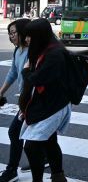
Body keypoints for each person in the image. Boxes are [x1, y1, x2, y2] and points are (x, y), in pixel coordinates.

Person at [19, 19, 70, 182]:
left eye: (30, 36)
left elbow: (37, 79)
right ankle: (58, 177)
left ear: (39, 36)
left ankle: (39, 179)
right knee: (49, 142)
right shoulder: (46, 48)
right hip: (46, 103)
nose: (27, 39)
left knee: (32, 146)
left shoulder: (55, 54)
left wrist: (26, 71)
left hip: (53, 106)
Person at [0, 19, 31, 182]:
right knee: (43, 136)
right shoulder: (17, 51)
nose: (11, 36)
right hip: (27, 99)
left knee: (14, 131)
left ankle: (11, 170)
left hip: (33, 100)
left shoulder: (32, 51)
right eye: (10, 33)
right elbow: (12, 72)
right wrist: (1, 92)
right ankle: (45, 158)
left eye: (14, 33)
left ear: (23, 32)